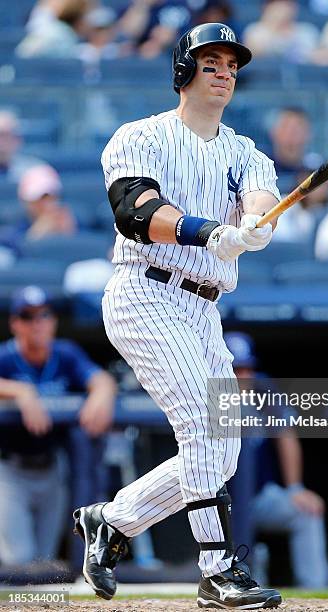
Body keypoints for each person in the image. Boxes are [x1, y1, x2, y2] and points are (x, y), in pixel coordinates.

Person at [72, 22, 282, 609]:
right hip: (145, 292)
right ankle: (217, 570)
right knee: (202, 423)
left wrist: (257, 226)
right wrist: (210, 231)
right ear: (184, 70)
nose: (224, 70)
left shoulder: (246, 151)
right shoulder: (139, 135)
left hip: (203, 307)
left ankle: (112, 520)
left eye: (231, 63)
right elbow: (135, 210)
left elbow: (263, 199)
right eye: (210, 60)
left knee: (223, 442)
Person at [0, 285, 116, 565]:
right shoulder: (5, 357)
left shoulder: (65, 353)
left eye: (44, 316)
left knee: (44, 560)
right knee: (19, 561)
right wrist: (20, 392)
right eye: (28, 317)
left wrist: (103, 392)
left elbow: (100, 378)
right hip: (10, 471)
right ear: (15, 323)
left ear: (53, 321)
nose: (37, 324)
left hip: (52, 468)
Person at [224, 331, 328, 588]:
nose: (244, 376)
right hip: (218, 507)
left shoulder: (262, 387)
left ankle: (318, 594)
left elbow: (285, 433)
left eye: (248, 368)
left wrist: (295, 488)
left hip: (260, 496)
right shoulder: (203, 393)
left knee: (306, 513)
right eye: (236, 369)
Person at [242, 0, 320, 63]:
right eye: (277, 5)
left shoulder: (307, 31)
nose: (283, 10)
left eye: (287, 5)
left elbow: (318, 58)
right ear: (266, 7)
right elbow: (250, 55)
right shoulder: (255, 30)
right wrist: (273, 27)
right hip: (267, 77)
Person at [0, 110, 43, 183]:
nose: (1, 142)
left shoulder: (36, 171)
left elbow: (49, 194)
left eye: (6, 136)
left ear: (18, 140)